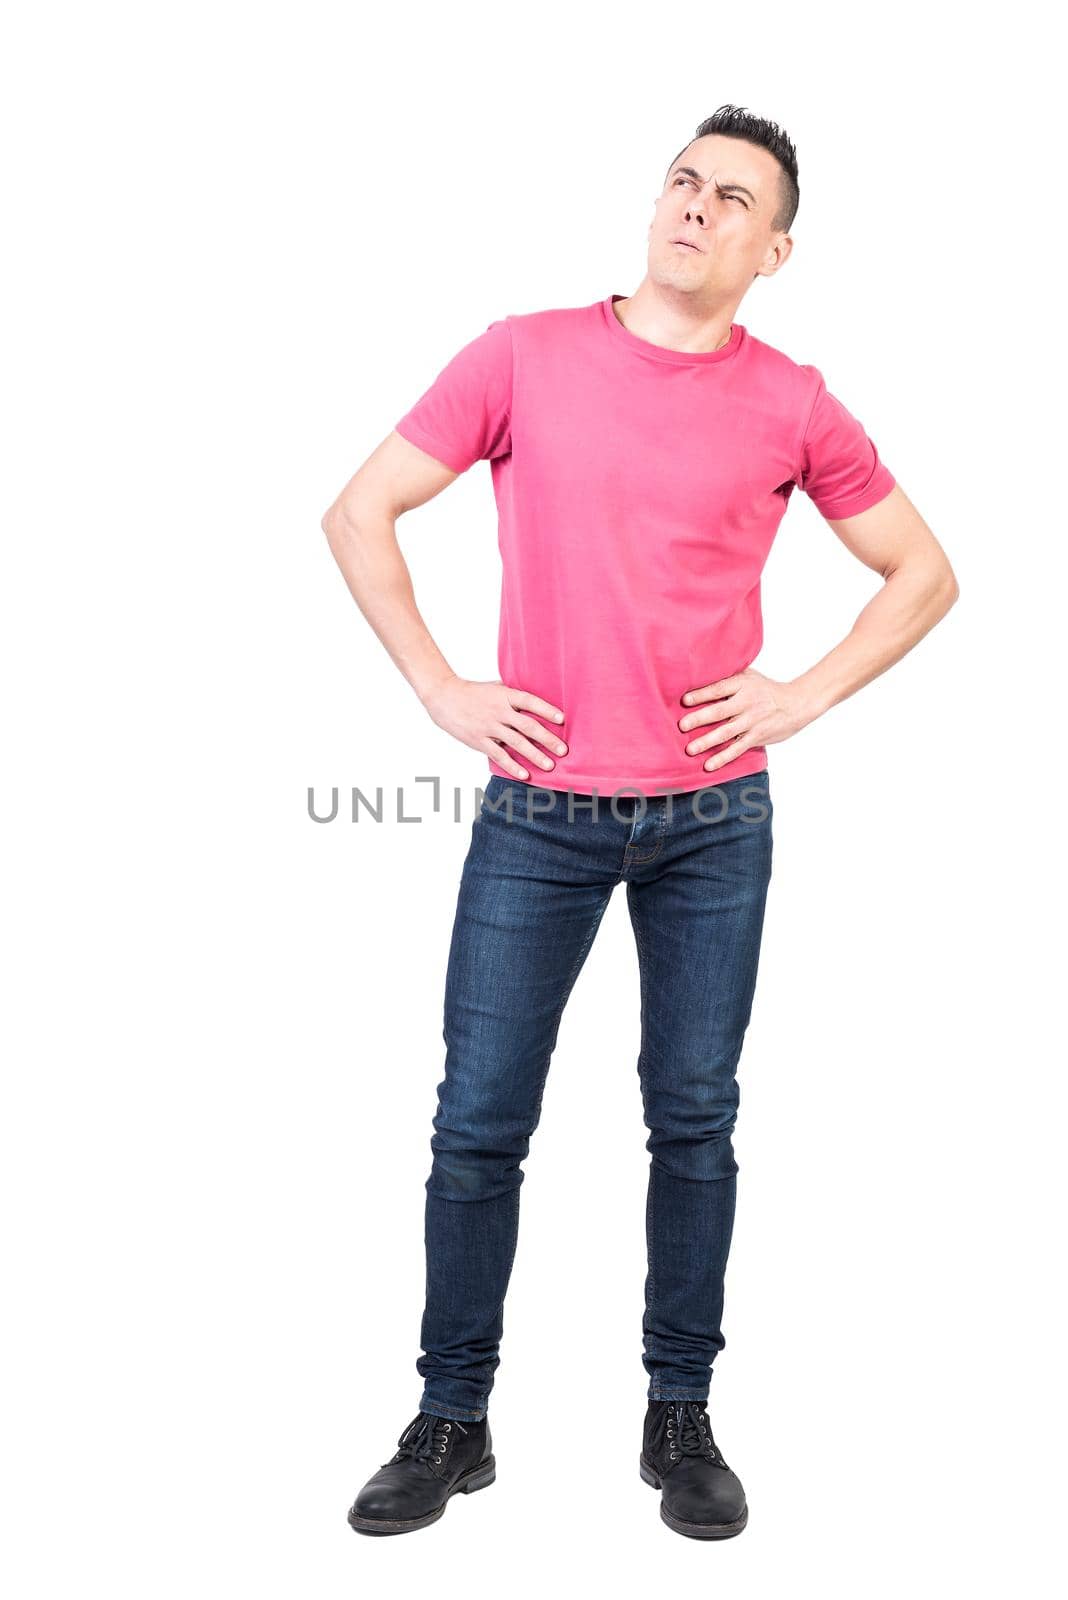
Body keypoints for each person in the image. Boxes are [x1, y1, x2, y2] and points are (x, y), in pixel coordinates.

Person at [322, 104, 959, 1540]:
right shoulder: (523, 355)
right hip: (538, 813)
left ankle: (681, 1418)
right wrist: (439, 685)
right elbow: (361, 513)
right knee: (478, 1123)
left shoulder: (794, 399)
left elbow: (923, 572)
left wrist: (802, 694)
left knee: (694, 1120)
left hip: (712, 822)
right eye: (683, 179)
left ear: (773, 247)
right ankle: (451, 1418)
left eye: (732, 197)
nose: (695, 205)